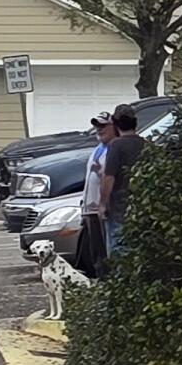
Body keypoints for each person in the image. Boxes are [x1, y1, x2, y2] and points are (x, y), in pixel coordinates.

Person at [100, 103, 148, 259]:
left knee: (118, 250)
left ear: (115, 123)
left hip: (119, 207)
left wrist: (103, 203)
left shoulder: (116, 146)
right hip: (141, 207)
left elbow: (109, 177)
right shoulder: (145, 144)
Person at [69, 113, 113, 277]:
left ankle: (107, 281)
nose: (99, 130)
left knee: (104, 250)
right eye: (97, 126)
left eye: (103, 126)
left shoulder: (113, 149)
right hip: (89, 208)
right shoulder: (98, 148)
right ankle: (100, 278)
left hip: (101, 209)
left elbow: (111, 176)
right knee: (94, 250)